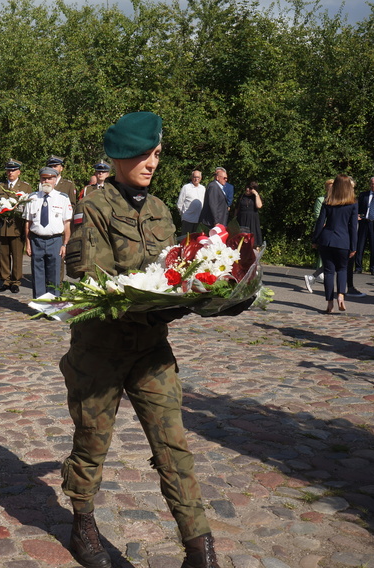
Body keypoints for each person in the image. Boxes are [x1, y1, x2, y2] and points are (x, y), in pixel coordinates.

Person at [62, 112, 234, 568]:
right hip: (100, 348)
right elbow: (92, 279)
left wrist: (207, 293)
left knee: (172, 443)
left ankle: (200, 548)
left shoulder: (160, 209)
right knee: (92, 440)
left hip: (150, 347)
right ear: (119, 157)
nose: (151, 162)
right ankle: (82, 522)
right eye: (142, 154)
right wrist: (164, 299)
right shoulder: (93, 206)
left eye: (156, 153)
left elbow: (171, 271)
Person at [23, 167, 72, 298]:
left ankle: (52, 306)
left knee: (54, 275)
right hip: (36, 240)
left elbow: (67, 224)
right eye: (44, 178)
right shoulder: (32, 198)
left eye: (50, 178)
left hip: (55, 240)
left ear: (55, 180)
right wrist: (27, 244)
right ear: (40, 179)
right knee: (37, 274)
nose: (46, 181)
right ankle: (40, 305)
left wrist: (65, 245)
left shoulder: (62, 198)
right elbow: (27, 224)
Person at [312, 174, 357, 314]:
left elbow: (320, 223)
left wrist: (315, 239)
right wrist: (353, 246)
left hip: (326, 240)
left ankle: (329, 303)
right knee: (342, 269)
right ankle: (341, 296)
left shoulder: (328, 201)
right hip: (343, 240)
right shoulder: (353, 203)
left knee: (329, 272)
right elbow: (353, 227)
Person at [0, 159, 31, 293]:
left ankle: (15, 281)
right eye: (9, 170)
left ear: (19, 172)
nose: (11, 172)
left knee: (16, 255)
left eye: (13, 170)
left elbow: (27, 207)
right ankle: (5, 280)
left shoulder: (25, 187)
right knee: (3, 254)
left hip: (17, 225)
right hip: (3, 225)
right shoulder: (0, 186)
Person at [304, 180, 333, 293]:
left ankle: (315, 275)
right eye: (329, 187)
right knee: (329, 258)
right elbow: (318, 216)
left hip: (332, 232)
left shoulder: (336, 200)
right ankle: (315, 275)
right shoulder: (321, 200)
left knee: (331, 259)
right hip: (324, 231)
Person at [176, 170, 206, 235]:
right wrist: (183, 215)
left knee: (196, 240)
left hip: (199, 219)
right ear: (192, 177)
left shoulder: (203, 188)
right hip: (188, 219)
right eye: (194, 177)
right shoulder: (186, 187)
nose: (196, 179)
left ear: (201, 178)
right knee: (185, 239)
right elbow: (179, 204)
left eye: (198, 177)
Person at [235, 180, 263, 247]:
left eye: (250, 188)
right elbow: (237, 208)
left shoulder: (255, 197)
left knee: (254, 240)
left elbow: (259, 206)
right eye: (247, 187)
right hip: (242, 219)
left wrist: (256, 194)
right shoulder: (241, 196)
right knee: (242, 239)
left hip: (252, 220)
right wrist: (235, 218)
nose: (247, 189)